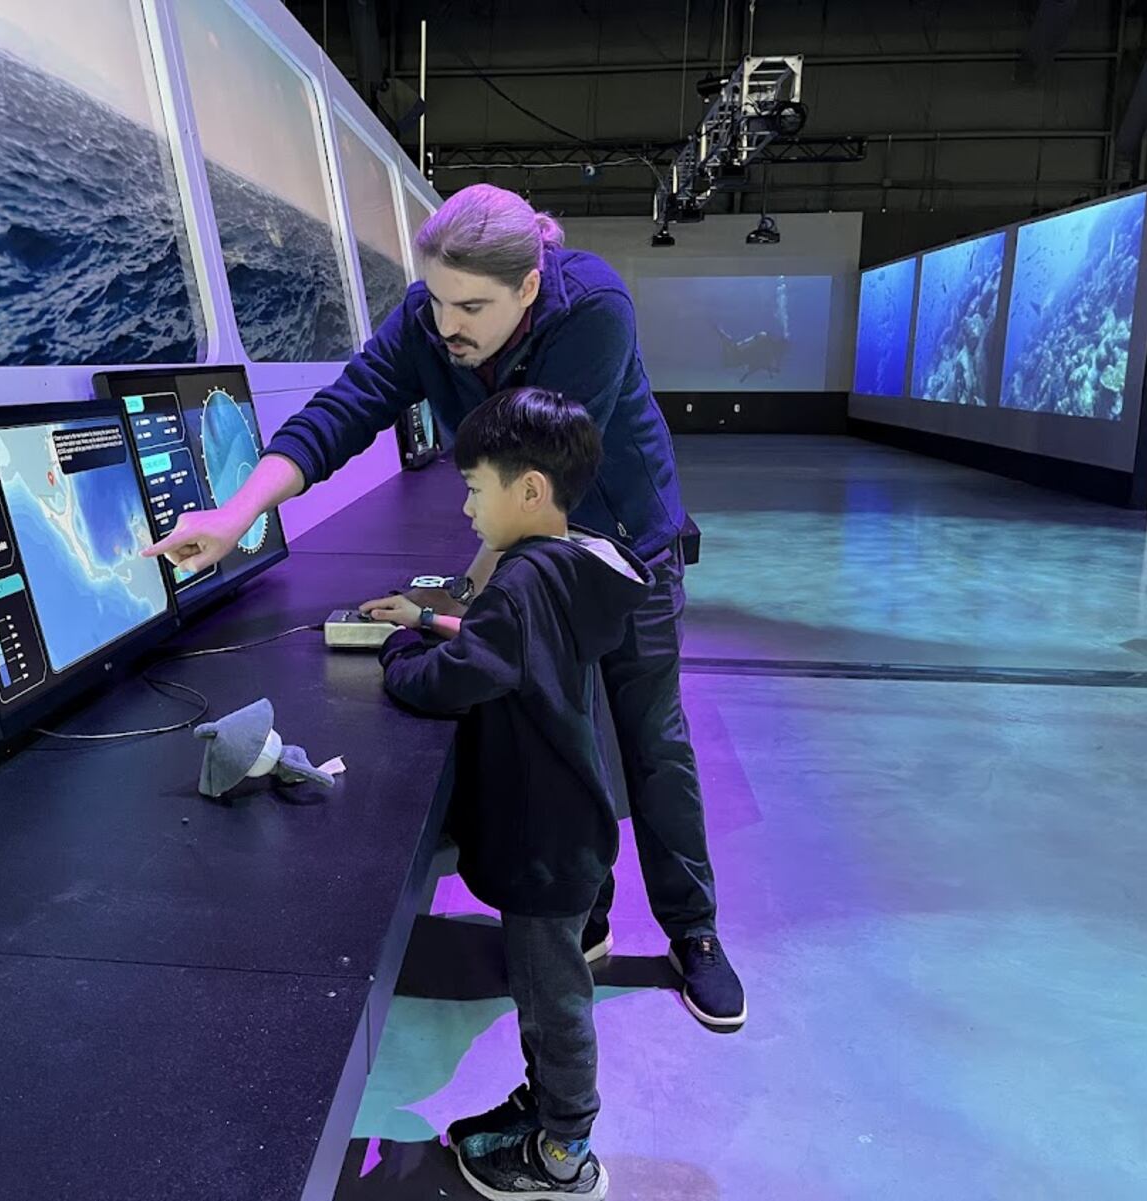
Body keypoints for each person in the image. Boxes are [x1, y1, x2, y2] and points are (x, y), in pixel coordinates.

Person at [149, 183, 745, 1029]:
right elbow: (343, 412)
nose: (448, 323)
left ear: (529, 288)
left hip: (623, 550)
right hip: (533, 546)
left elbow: (540, 478)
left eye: (472, 305)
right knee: (564, 739)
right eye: (435, 300)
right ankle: (589, 911)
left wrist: (463, 598)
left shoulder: (595, 308)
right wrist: (239, 513)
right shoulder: (432, 322)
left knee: (650, 738)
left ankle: (696, 933)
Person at [373, 388, 646, 1199]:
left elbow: (459, 679)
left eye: (474, 487)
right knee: (548, 987)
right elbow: (511, 649)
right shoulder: (571, 562)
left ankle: (563, 1149)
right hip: (573, 819)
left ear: (528, 489)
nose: (464, 507)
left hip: (544, 839)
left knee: (550, 995)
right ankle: (549, 1108)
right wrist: (438, 618)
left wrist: (397, 649)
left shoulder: (522, 584)